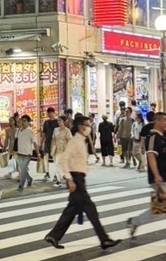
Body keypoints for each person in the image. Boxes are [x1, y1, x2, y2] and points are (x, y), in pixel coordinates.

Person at [45, 116, 119, 251]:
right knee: (91, 210)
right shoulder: (74, 142)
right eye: (87, 125)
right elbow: (63, 161)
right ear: (80, 127)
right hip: (76, 180)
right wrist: (70, 179)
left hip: (79, 179)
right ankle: (104, 239)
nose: (89, 127)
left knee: (71, 210)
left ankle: (53, 235)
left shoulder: (82, 141)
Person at [127, 112, 166, 244]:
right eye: (164, 120)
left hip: (163, 176)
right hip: (159, 178)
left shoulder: (161, 136)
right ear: (157, 121)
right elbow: (150, 156)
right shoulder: (153, 137)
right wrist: (156, 175)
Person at [14, 114, 38, 191]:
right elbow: (15, 141)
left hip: (27, 154)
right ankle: (29, 179)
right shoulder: (18, 130)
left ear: (28, 122)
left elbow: (35, 143)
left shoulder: (30, 131)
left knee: (23, 169)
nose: (23, 122)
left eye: (25, 121)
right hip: (20, 153)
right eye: (22, 121)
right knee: (23, 169)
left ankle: (21, 185)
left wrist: (38, 154)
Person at [50, 116, 72, 188]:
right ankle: (58, 180)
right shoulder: (55, 130)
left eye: (60, 120)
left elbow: (70, 141)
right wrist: (52, 148)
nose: (58, 122)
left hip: (64, 150)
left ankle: (65, 178)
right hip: (56, 150)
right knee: (57, 165)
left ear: (64, 122)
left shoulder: (67, 131)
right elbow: (53, 139)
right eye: (58, 121)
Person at [41, 107, 59, 181]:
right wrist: (41, 142)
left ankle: (56, 174)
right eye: (49, 112)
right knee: (46, 157)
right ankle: (47, 172)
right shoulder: (46, 122)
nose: (50, 114)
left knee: (55, 158)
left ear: (54, 113)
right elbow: (44, 133)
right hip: (47, 142)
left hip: (54, 142)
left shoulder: (57, 121)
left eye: (51, 112)